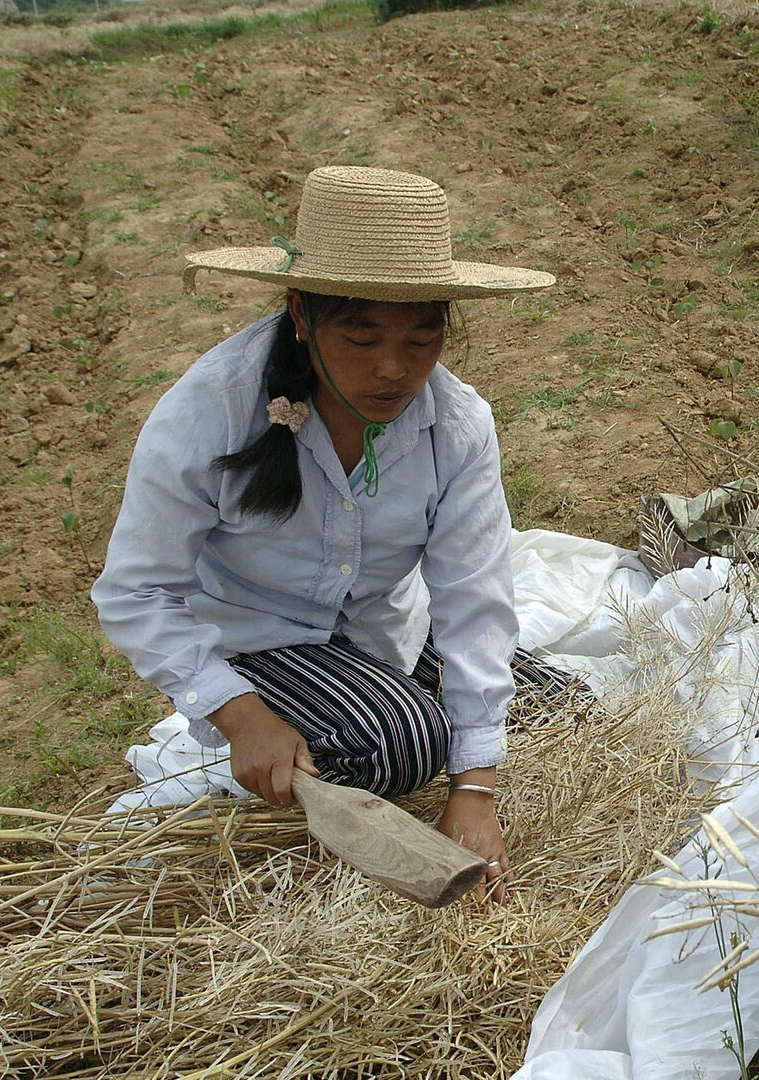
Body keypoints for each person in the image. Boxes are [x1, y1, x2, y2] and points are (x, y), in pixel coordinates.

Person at [93, 165, 570, 901]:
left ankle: (391, 703)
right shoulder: (212, 408)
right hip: (255, 640)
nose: (392, 369)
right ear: (300, 314)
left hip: (381, 627)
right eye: (360, 334)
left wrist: (476, 790)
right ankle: (273, 732)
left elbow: (473, 596)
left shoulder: (458, 423)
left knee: (558, 713)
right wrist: (240, 714)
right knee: (403, 743)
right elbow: (136, 591)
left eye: (421, 339)